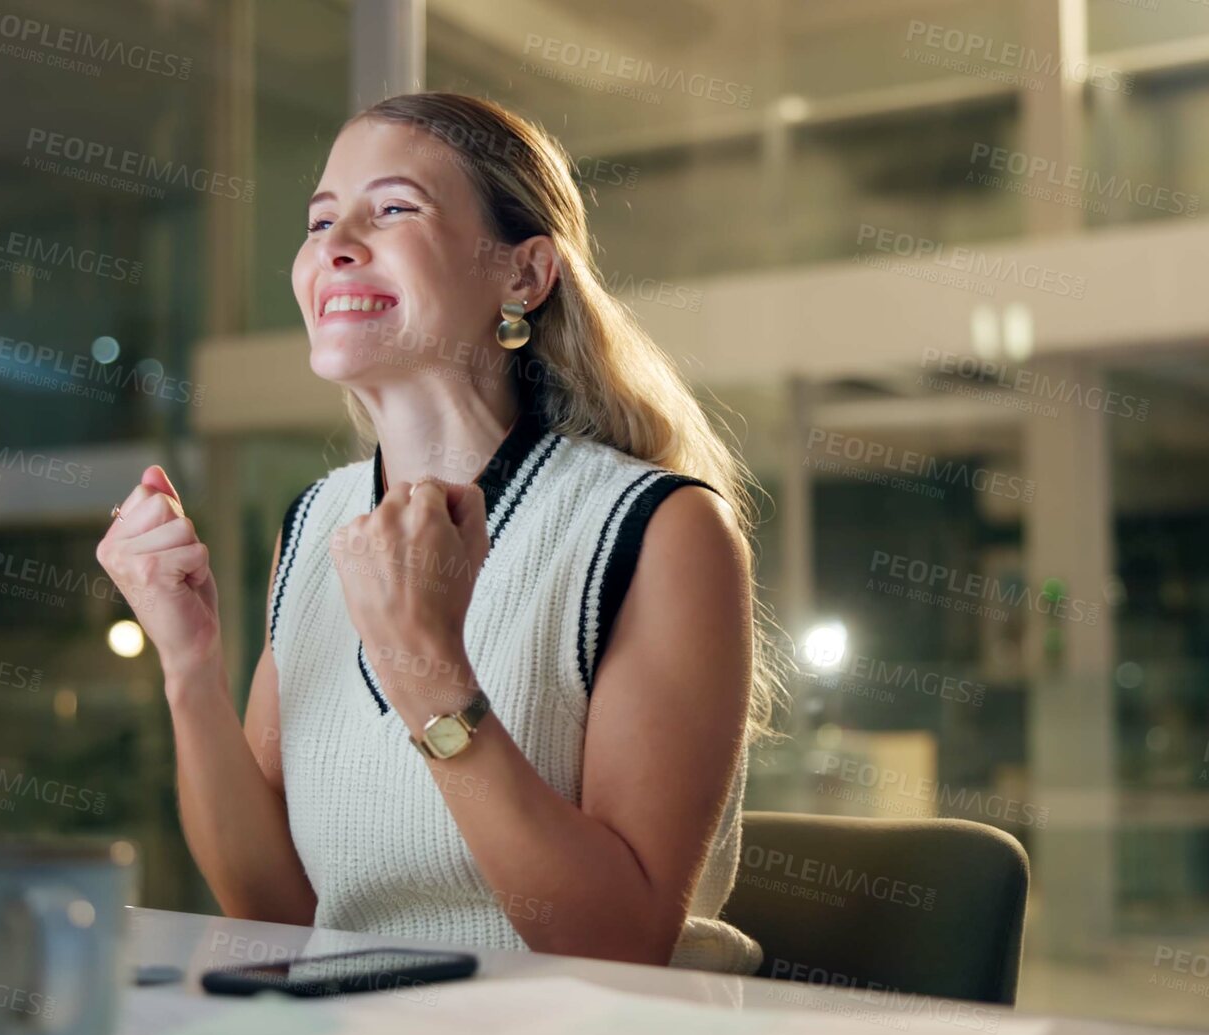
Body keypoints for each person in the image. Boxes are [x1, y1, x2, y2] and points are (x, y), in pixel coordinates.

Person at [96, 91, 783, 973]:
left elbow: (617, 943)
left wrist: (426, 668)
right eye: (318, 221)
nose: (334, 244)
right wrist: (188, 665)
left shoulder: (659, 529)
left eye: (392, 210)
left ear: (523, 277)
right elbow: (278, 911)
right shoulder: (313, 526)